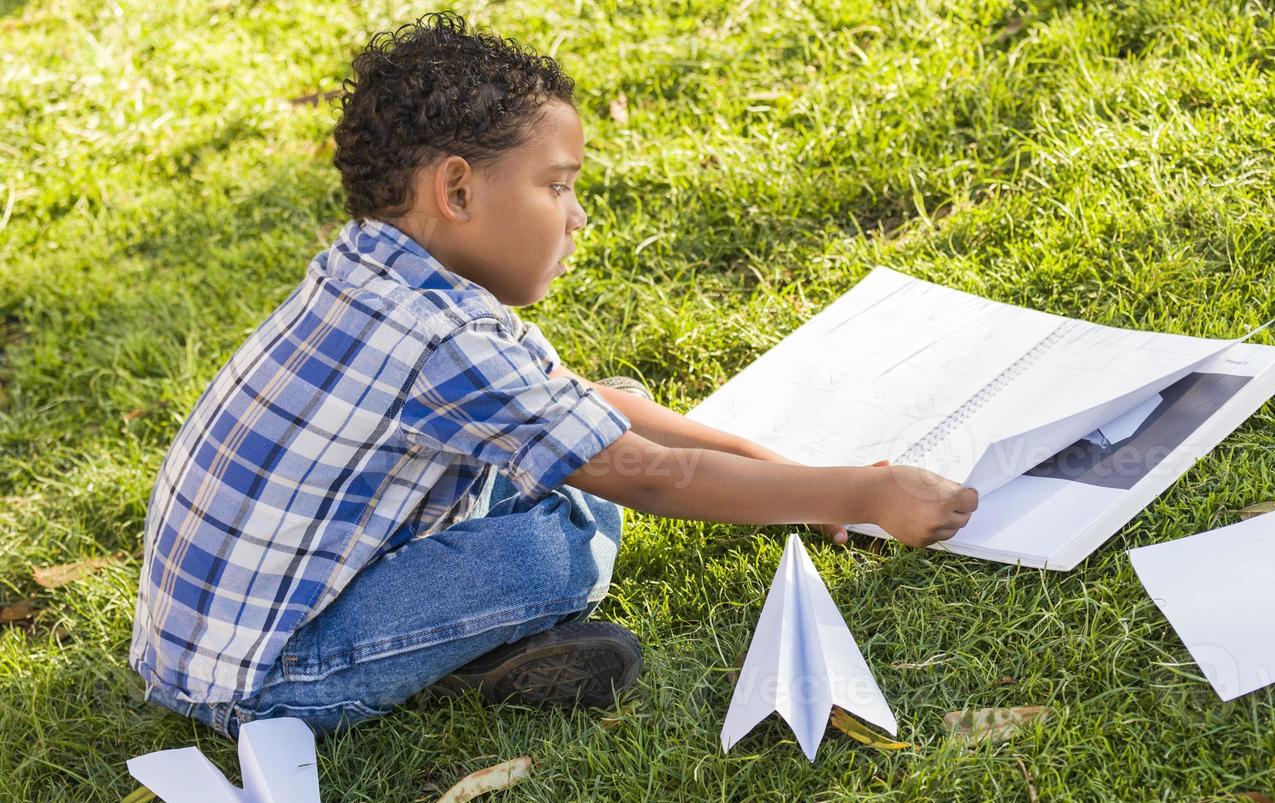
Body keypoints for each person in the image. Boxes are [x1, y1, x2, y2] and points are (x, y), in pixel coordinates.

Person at [130, 11, 979, 740]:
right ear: (457, 191)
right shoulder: (440, 336)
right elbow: (654, 474)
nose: (577, 218)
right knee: (555, 553)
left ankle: (459, 653)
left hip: (209, 636)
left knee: (617, 414)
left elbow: (599, 409)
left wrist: (795, 480)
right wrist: (862, 499)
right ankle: (453, 658)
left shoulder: (374, 270)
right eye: (557, 187)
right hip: (264, 683)